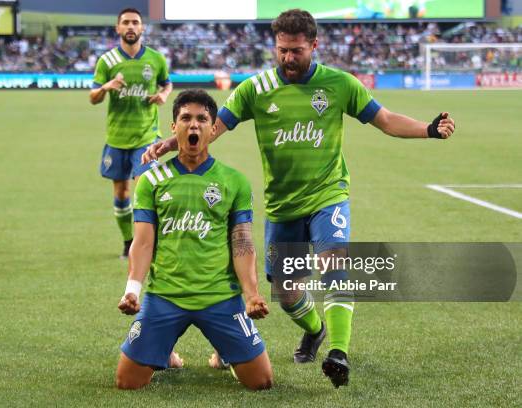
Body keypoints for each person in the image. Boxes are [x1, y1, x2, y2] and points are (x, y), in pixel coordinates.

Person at [142, 9, 455, 388]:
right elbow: (215, 127)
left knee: (334, 261)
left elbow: (385, 119)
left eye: (297, 50)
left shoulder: (339, 84)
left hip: (328, 194)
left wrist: (428, 130)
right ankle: (316, 328)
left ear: (314, 46)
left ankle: (338, 351)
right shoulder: (255, 90)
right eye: (282, 50)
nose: (289, 58)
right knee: (286, 292)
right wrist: (170, 143)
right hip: (282, 205)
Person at [116, 90, 273, 390]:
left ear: (213, 129)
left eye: (202, 119)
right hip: (165, 297)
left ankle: (223, 352)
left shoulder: (234, 181)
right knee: (127, 382)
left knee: (261, 381)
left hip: (220, 298)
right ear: (173, 128)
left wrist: (251, 294)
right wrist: (132, 290)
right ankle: (165, 352)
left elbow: (242, 243)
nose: (193, 125)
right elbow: (143, 242)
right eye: (185, 118)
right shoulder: (151, 180)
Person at [89, 7, 173, 258]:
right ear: (118, 28)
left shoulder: (156, 59)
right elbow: (93, 97)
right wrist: (106, 86)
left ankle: (145, 244)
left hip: (147, 137)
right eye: (125, 22)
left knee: (143, 191)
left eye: (135, 22)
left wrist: (163, 95)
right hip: (117, 138)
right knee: (121, 193)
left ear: (142, 28)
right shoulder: (107, 61)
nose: (130, 27)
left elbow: (167, 83)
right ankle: (128, 241)